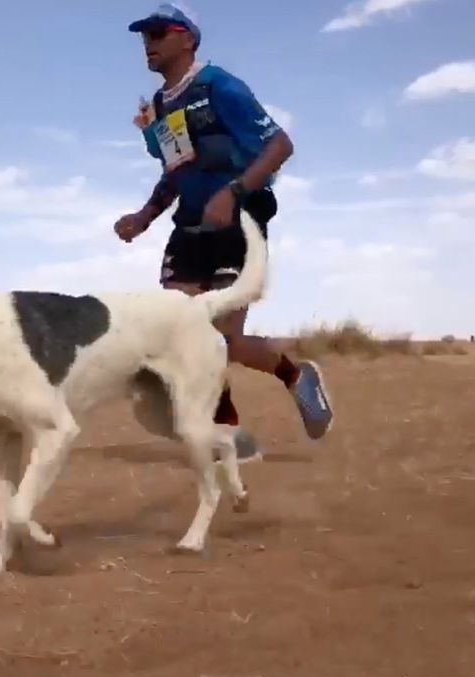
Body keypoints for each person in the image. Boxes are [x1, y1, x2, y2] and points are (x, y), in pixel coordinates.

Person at [114, 3, 334, 459]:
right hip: (190, 227)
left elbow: (280, 145)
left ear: (187, 39)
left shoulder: (220, 86)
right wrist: (144, 216)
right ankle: (232, 435)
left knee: (224, 341)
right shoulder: (159, 106)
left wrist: (233, 192)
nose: (148, 45)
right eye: (144, 37)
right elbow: (177, 170)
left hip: (240, 219)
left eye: (158, 34)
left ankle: (297, 376)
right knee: (181, 335)